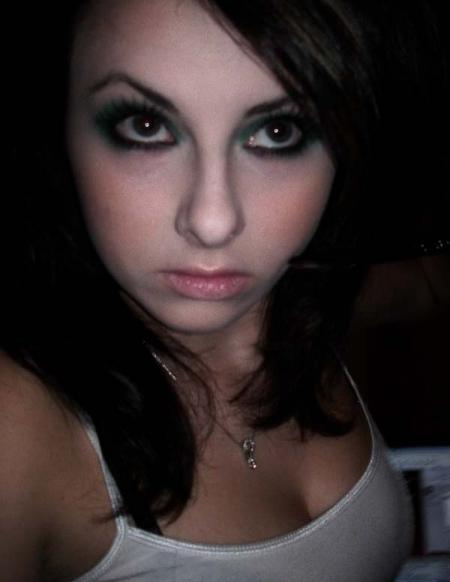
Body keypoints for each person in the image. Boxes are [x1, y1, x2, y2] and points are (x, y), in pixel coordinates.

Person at [1, 0, 446, 580]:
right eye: (146, 126)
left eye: (278, 132)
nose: (213, 222)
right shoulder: (16, 425)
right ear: (57, 123)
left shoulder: (306, 297)